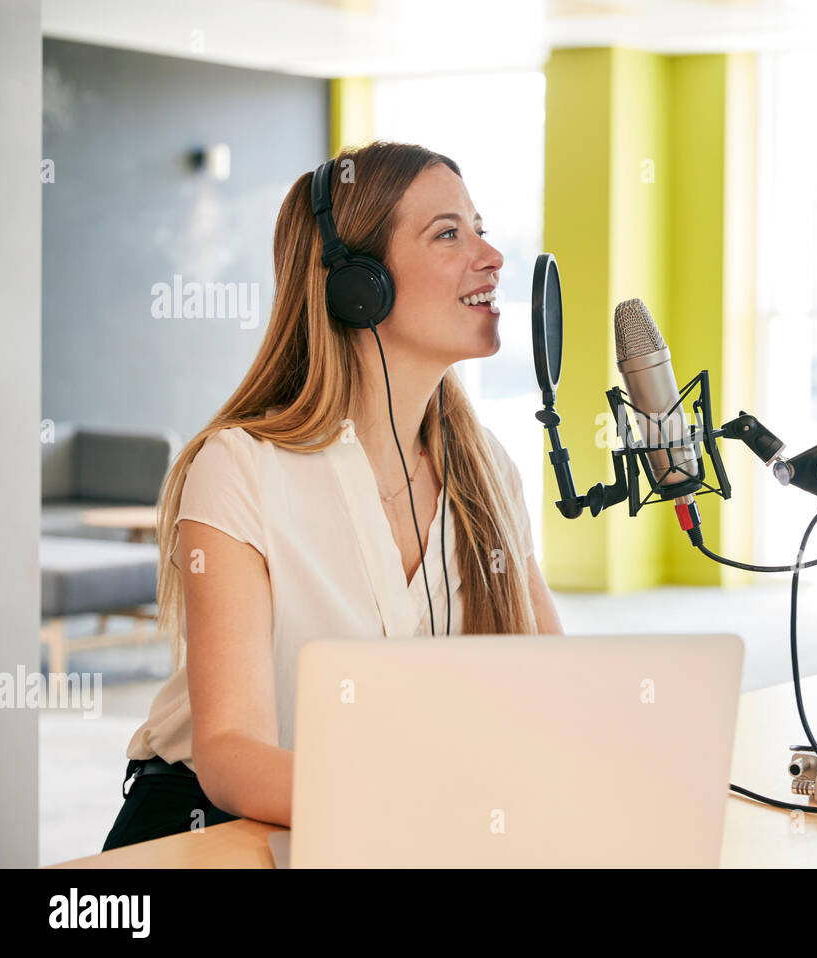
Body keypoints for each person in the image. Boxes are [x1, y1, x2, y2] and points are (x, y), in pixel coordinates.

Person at [103, 141, 562, 851]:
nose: (493, 256)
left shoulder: (487, 470)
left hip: (393, 828)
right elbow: (229, 753)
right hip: (213, 827)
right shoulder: (240, 468)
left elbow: (559, 688)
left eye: (481, 226)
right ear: (358, 285)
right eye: (449, 233)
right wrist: (421, 809)